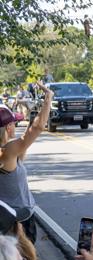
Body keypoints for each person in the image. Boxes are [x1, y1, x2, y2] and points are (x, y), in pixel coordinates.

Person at [0, 81, 53, 244]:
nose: (16, 126)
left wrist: (33, 116)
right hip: (18, 222)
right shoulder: (7, 151)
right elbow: (37, 128)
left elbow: (27, 138)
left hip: (7, 218)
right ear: (8, 127)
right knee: (25, 259)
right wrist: (48, 99)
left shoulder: (9, 152)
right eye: (14, 123)